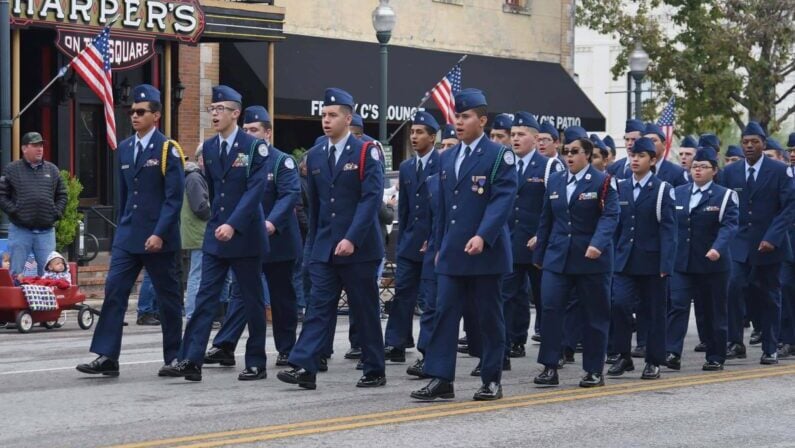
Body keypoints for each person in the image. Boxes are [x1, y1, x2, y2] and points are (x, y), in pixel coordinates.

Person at [410, 88, 517, 401]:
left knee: (487, 318)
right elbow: (443, 207)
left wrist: (483, 235)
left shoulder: (499, 155)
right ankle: (441, 377)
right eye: (456, 116)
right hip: (453, 252)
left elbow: (502, 200)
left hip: (487, 253)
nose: (458, 121)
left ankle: (491, 379)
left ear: (481, 120)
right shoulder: (448, 157)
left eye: (466, 116)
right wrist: (439, 244)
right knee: (444, 314)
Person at [277, 88, 385, 390]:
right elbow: (315, 205)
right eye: (323, 115)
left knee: (364, 311)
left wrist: (352, 238)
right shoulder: (316, 155)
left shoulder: (366, 151)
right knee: (318, 307)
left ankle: (375, 367)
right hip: (325, 246)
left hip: (360, 249)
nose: (326, 120)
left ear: (348, 118)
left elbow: (371, 199)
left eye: (332, 115)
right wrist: (312, 248)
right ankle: (305, 366)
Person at [77, 84, 185, 377]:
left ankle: (176, 356)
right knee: (114, 292)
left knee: (168, 297)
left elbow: (174, 199)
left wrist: (160, 233)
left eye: (141, 112)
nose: (134, 116)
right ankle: (107, 355)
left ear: (156, 116)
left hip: (158, 238)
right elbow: (124, 196)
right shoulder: (124, 148)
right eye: (132, 112)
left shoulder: (167, 150)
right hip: (129, 235)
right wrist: (121, 231)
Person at [164, 85, 270, 382]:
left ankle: (256, 361)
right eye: (212, 109)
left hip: (245, 235)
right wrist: (217, 223)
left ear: (236, 113)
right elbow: (214, 188)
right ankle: (191, 359)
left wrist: (233, 224)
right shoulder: (209, 148)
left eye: (220, 109)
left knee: (251, 300)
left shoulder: (253, 147)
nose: (214, 114)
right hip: (216, 235)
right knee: (205, 298)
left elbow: (254, 191)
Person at [205, 105, 301, 373]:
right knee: (243, 294)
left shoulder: (282, 161)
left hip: (278, 240)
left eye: (254, 130)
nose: (249, 134)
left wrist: (271, 222)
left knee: (281, 297)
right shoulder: (237, 157)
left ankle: (286, 349)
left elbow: (290, 194)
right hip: (247, 238)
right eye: (246, 130)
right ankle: (225, 344)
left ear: (268, 133)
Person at [531, 127, 619, 388]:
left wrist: (597, 244)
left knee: (594, 315)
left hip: (591, 260)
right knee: (550, 310)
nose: (568, 156)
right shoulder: (556, 181)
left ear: (588, 155)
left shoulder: (602, 181)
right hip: (558, 258)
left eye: (574, 152)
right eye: (565, 151)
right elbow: (546, 219)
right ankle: (549, 365)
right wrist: (540, 253)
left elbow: (611, 216)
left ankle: (593, 370)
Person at [722, 121, 794, 365]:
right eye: (745, 142)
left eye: (754, 142)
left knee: (769, 295)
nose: (749, 146)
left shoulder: (778, 170)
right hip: (739, 243)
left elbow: (788, 208)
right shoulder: (731, 172)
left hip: (770, 244)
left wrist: (772, 238)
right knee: (733, 287)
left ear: (764, 143)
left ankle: (770, 346)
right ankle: (735, 342)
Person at [606, 137, 676, 380]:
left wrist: (666, 264)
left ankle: (654, 360)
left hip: (652, 262)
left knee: (654, 312)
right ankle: (623, 356)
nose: (635, 159)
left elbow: (669, 230)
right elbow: (615, 225)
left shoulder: (662, 189)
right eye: (632, 155)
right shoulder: (620, 186)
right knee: (619, 305)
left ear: (653, 160)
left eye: (641, 156)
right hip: (624, 261)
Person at [666, 147, 738, 370]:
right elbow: (670, 226)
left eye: (703, 167)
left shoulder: (725, 195)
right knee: (677, 305)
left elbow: (729, 226)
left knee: (712, 311)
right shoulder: (677, 192)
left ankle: (715, 355)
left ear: (714, 171)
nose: (697, 170)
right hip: (682, 262)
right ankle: (672, 352)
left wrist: (717, 248)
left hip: (712, 264)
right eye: (694, 166)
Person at [502, 111, 563, 362]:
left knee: (546, 300)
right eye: (513, 134)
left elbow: (557, 207)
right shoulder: (504, 163)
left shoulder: (549, 166)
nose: (515, 139)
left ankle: (554, 350)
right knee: (507, 297)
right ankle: (507, 347)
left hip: (539, 244)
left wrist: (543, 235)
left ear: (535, 138)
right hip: (511, 242)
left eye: (521, 134)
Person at [384, 111, 440, 364]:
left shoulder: (442, 164)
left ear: (432, 137)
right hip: (410, 242)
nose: (414, 137)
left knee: (430, 299)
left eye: (420, 132)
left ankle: (428, 349)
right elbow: (404, 208)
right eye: (412, 132)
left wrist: (436, 238)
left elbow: (444, 207)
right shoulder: (407, 167)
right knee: (402, 294)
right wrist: (405, 237)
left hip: (432, 242)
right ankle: (395, 343)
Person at [0, 131, 67, 278]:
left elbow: (62, 194)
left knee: (49, 274)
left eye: (41, 145)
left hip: (46, 231)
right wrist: (15, 211)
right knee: (15, 274)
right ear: (24, 149)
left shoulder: (52, 170)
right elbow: (2, 195)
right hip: (20, 230)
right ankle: (14, 302)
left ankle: (44, 301)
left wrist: (56, 213)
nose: (40, 149)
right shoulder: (12, 169)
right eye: (35, 145)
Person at [182, 145, 211, 321]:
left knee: (200, 273)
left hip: (199, 231)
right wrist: (215, 214)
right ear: (200, 159)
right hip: (198, 231)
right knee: (197, 274)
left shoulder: (199, 177)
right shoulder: (194, 178)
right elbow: (200, 207)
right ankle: (192, 313)